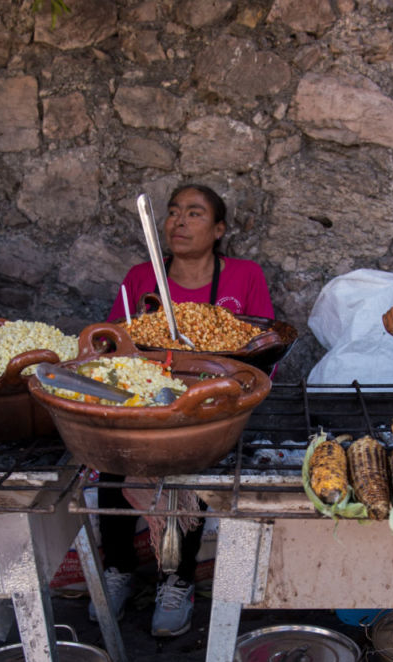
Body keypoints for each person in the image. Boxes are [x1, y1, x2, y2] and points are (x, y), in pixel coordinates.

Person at [96, 184, 274, 637]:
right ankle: (116, 569)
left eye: (194, 214)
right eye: (174, 212)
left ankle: (176, 580)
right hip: (149, 395)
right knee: (111, 457)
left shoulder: (245, 275)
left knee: (193, 461)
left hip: (216, 400)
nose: (178, 221)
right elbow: (115, 342)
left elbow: (263, 339)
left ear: (218, 229)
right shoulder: (141, 279)